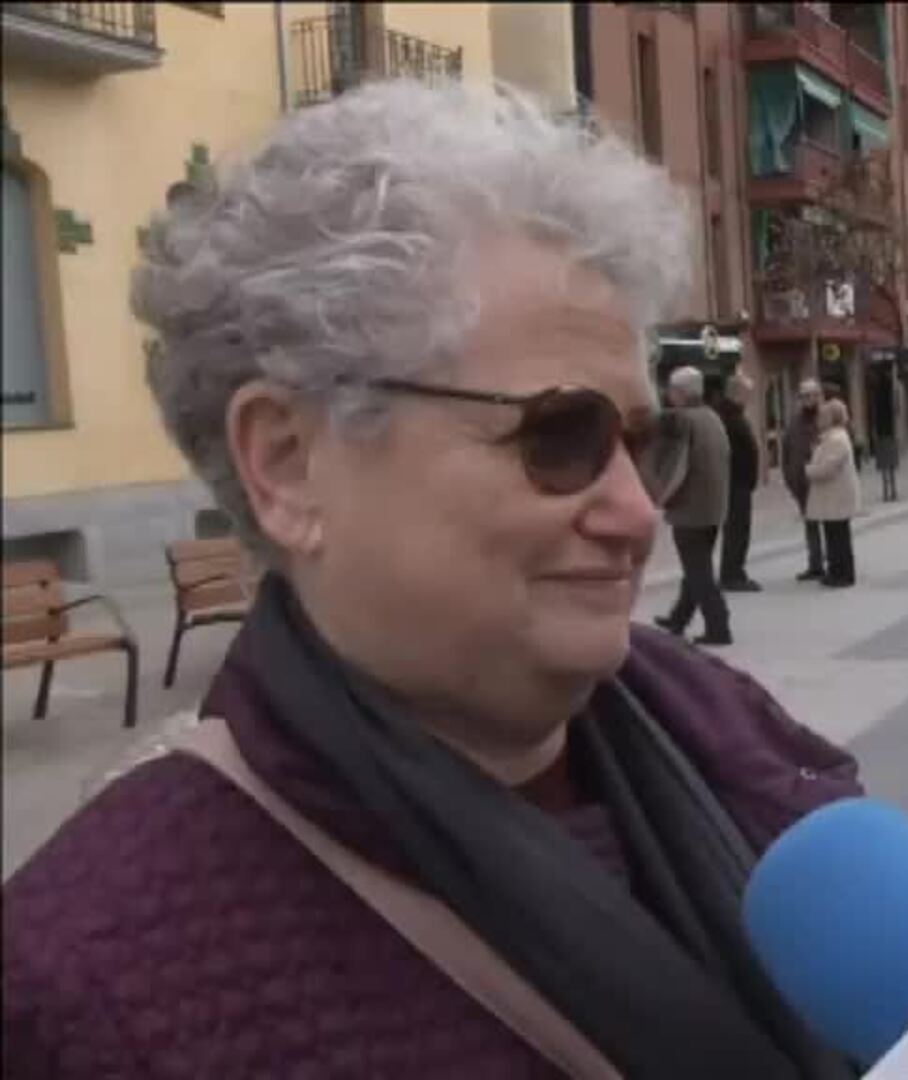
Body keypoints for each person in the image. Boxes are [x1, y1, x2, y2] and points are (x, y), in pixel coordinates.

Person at [3, 80, 863, 1077]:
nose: (635, 513)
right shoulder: (90, 992)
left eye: (640, 442)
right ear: (288, 462)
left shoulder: (739, 744)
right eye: (560, 436)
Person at [649, 366, 734, 647]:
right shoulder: (713, 417)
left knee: (698, 571)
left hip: (690, 509)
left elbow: (675, 465)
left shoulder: (681, 421)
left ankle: (718, 625)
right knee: (697, 567)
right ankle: (679, 618)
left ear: (680, 393)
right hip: (713, 507)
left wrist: (658, 496)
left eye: (671, 390)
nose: (668, 395)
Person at [805, 399, 860, 587]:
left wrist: (808, 470)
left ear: (832, 418)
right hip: (832, 497)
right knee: (833, 535)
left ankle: (842, 574)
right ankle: (836, 571)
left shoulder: (837, 439)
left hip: (836, 497)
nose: (819, 419)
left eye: (823, 415)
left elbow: (828, 468)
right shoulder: (830, 437)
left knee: (838, 537)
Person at [717, 372, 762, 593]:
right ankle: (732, 574)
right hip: (735, 483)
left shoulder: (734, 415)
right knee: (736, 530)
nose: (750, 398)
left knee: (739, 530)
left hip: (739, 483)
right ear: (737, 393)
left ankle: (735, 571)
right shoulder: (729, 417)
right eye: (747, 394)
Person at [782, 379, 827, 582]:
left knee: (829, 525)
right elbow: (787, 452)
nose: (808, 400)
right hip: (802, 483)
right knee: (810, 526)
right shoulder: (794, 423)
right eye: (804, 396)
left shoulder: (827, 418)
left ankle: (834, 562)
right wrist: (790, 478)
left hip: (824, 483)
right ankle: (815, 564)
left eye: (812, 395)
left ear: (819, 396)